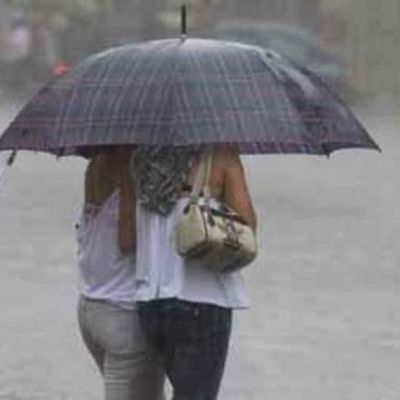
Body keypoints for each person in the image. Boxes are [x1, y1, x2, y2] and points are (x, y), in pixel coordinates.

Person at [124, 144, 257, 400]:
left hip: (151, 301)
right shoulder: (220, 155)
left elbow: (127, 239)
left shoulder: (139, 158)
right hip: (203, 299)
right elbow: (247, 226)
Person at [75, 147, 165, 400]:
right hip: (124, 311)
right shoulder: (131, 167)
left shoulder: (96, 164)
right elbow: (128, 241)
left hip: (91, 306)